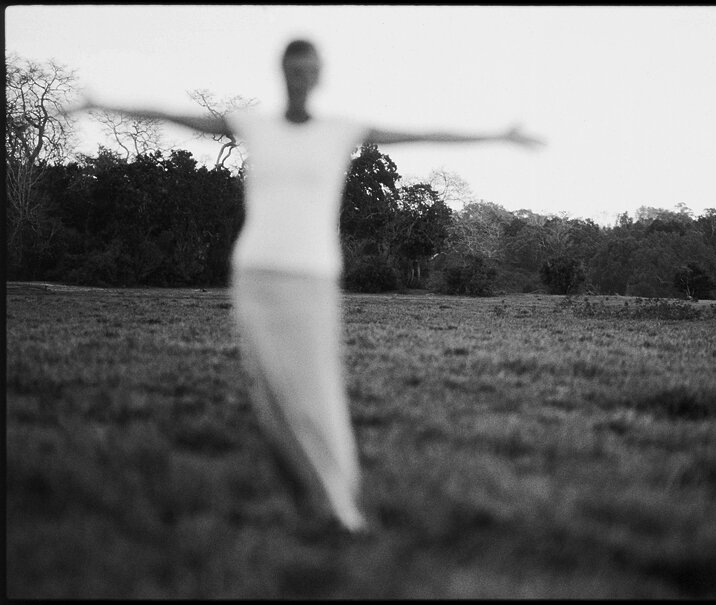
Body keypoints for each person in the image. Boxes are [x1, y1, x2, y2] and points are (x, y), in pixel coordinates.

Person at [63, 39, 543, 532]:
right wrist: (101, 104)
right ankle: (305, 500)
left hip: (312, 277)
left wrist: (498, 136)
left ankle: (340, 506)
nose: (301, 77)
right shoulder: (254, 125)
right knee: (270, 393)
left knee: (315, 391)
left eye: (309, 69)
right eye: (294, 69)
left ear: (319, 76)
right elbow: (175, 115)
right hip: (255, 273)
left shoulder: (340, 130)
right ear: (282, 73)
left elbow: (421, 134)